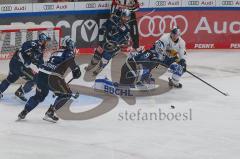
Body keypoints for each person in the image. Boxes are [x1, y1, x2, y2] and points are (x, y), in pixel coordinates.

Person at [17, 37, 81, 123]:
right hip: (52, 76)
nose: (73, 47)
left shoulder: (56, 52)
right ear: (70, 44)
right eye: (73, 44)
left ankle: (24, 111)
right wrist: (76, 70)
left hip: (41, 74)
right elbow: (69, 60)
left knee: (38, 96)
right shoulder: (68, 52)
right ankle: (50, 112)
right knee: (67, 94)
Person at [120, 26, 187, 88]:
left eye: (177, 35)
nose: (175, 36)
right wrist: (159, 59)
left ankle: (174, 81)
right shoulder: (165, 38)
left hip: (170, 58)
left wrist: (183, 61)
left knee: (180, 67)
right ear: (171, 33)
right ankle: (141, 79)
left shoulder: (182, 42)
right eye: (174, 34)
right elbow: (158, 50)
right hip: (158, 54)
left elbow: (182, 54)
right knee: (148, 62)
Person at [0, 33, 51, 101]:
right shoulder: (33, 43)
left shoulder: (41, 49)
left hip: (18, 65)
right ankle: (20, 92)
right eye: (46, 41)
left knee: (12, 78)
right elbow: (23, 49)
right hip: (17, 64)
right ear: (42, 40)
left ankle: (15, 92)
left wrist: (46, 68)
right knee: (35, 78)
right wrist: (31, 57)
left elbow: (40, 63)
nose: (47, 43)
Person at [85, 9, 131, 76]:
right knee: (97, 55)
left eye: (127, 18)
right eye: (124, 17)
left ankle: (99, 69)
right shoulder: (114, 19)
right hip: (105, 40)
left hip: (114, 46)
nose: (125, 19)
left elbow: (125, 41)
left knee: (104, 59)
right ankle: (91, 66)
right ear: (121, 15)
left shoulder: (127, 28)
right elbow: (105, 24)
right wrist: (103, 28)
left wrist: (121, 40)